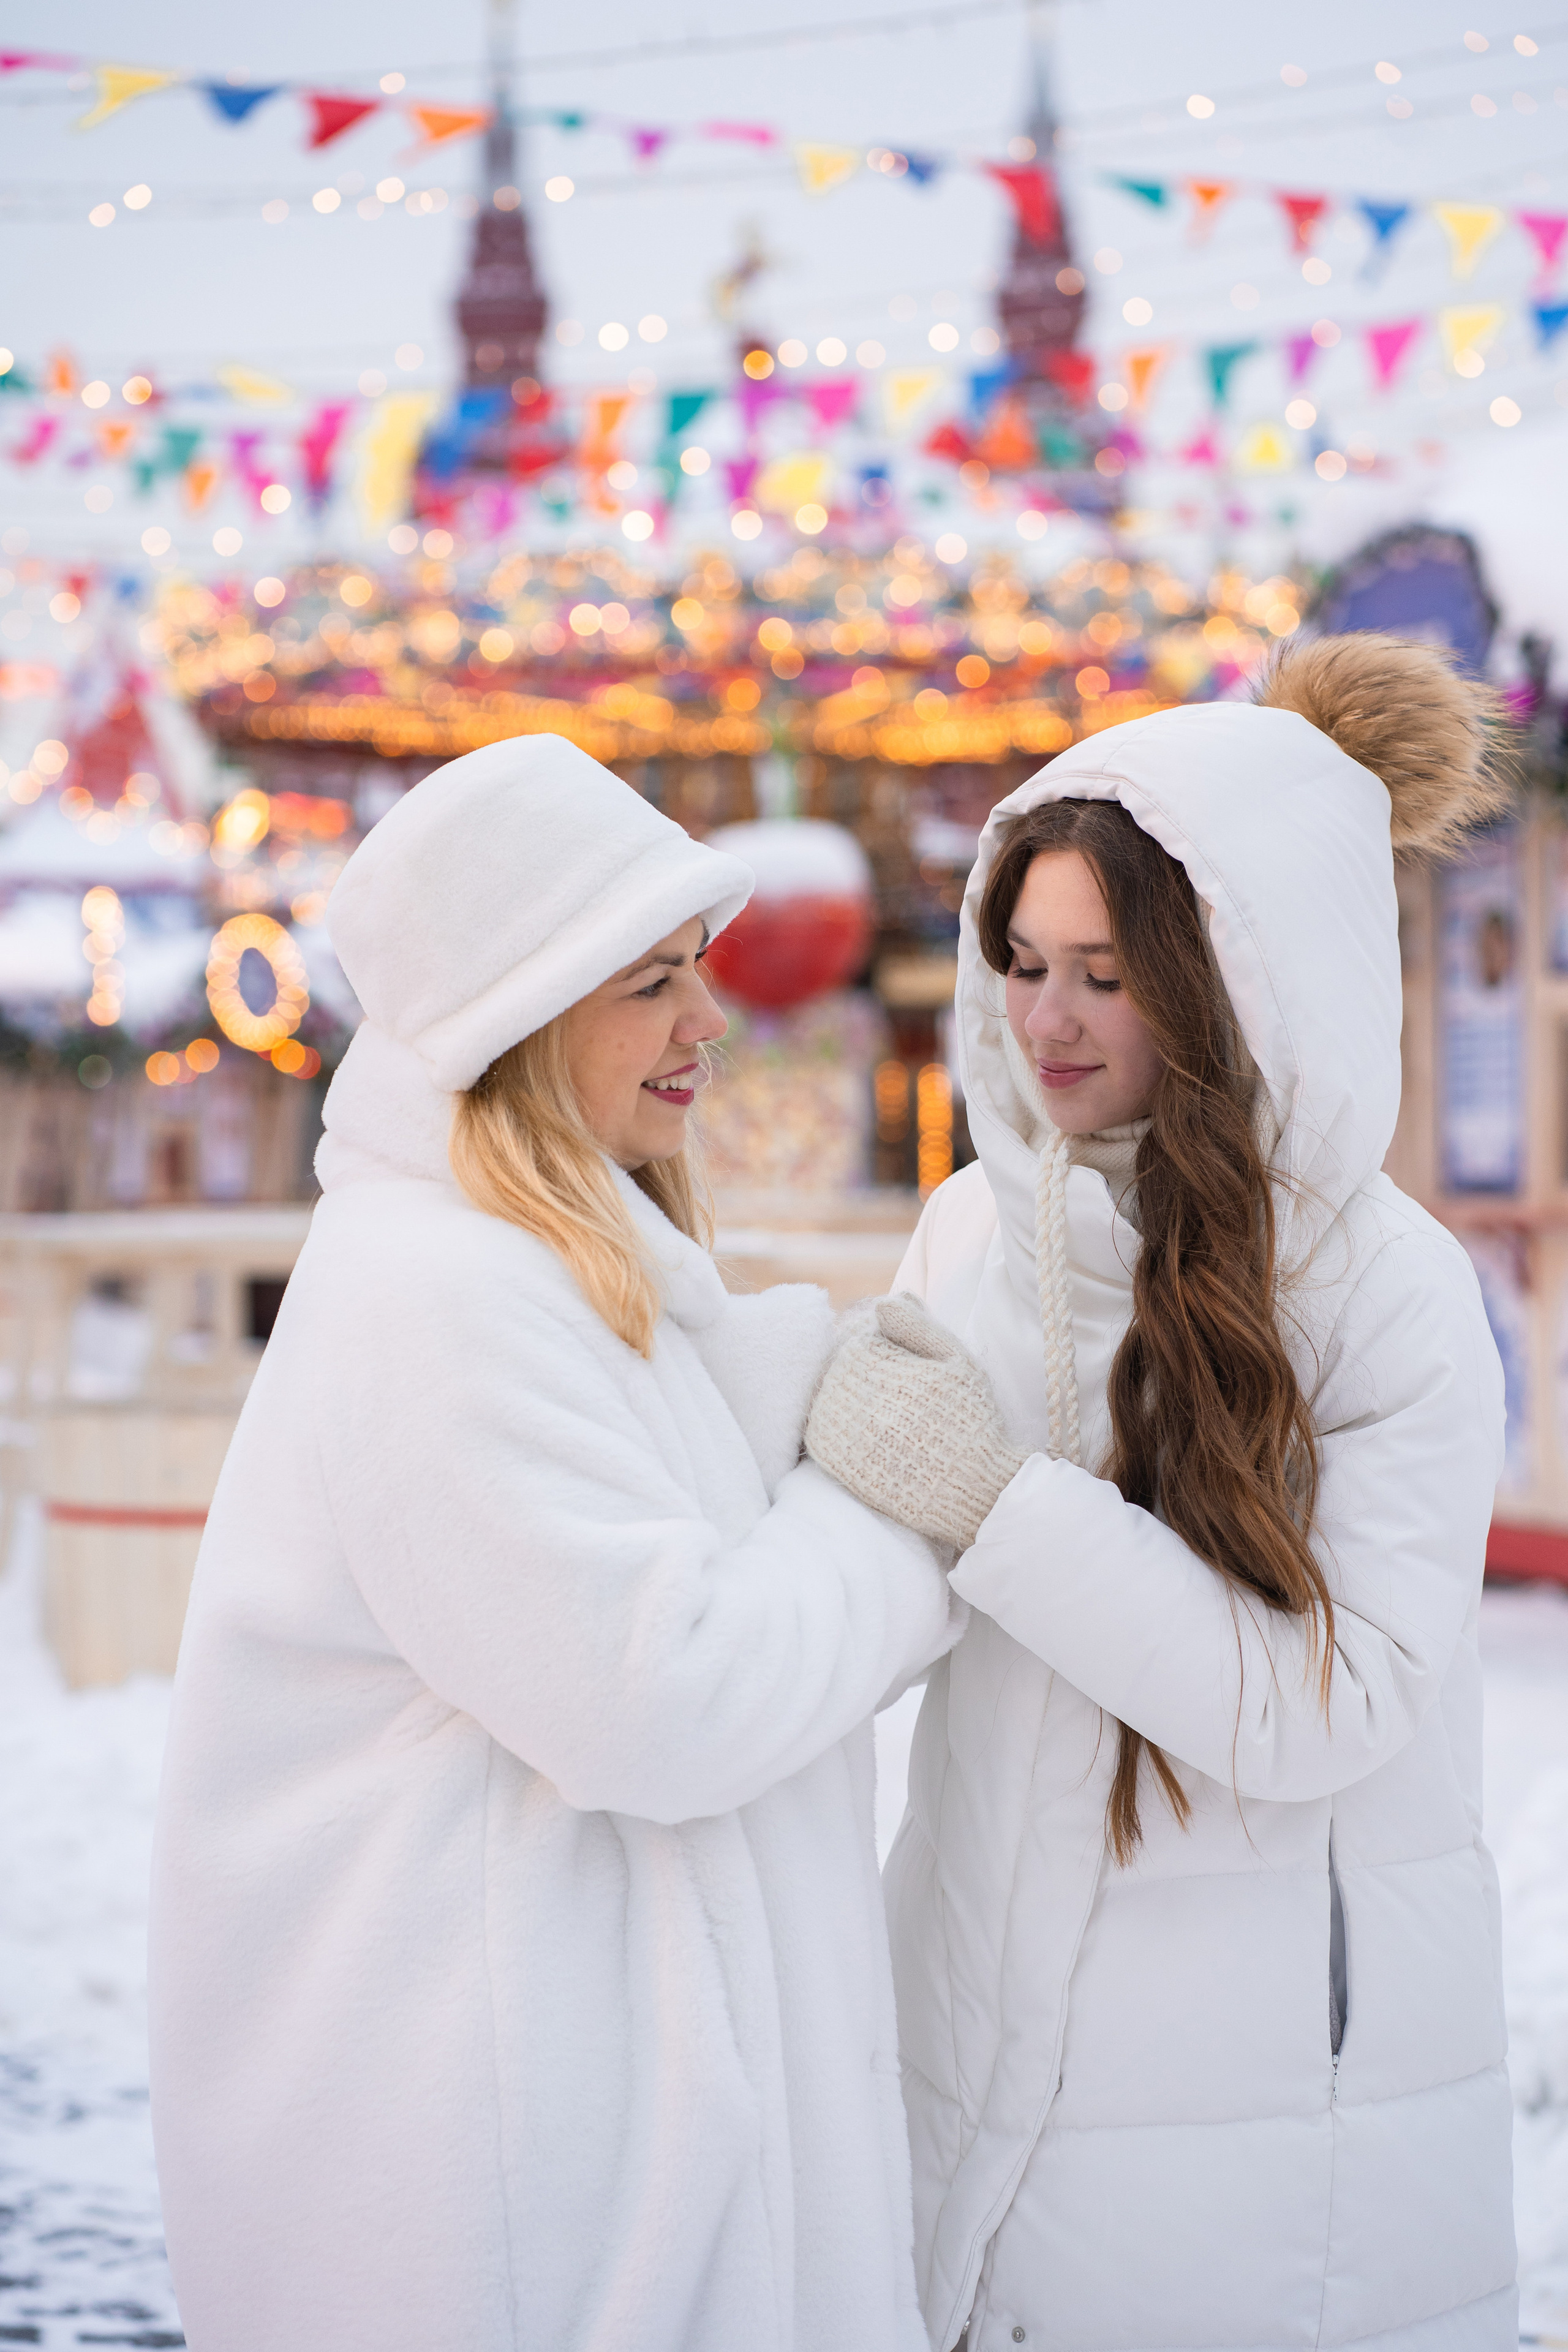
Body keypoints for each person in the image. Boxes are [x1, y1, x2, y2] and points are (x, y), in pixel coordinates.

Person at [148, 734, 958, 2352]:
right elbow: (659, 1695)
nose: (709, 1020)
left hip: (592, 2130)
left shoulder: (527, 1262)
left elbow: (656, 1509)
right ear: (519, 1015)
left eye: (697, 968)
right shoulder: (437, 1296)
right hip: (524, 2183)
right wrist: (892, 1508)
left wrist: (809, 1391)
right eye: (652, 982)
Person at [806, 636, 1518, 2352]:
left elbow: (1327, 1702)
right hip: (974, 2023)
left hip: (1267, 2110)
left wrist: (995, 1507)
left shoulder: (1385, 1293)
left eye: (1106, 975)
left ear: (1228, 982)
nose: (1043, 1020)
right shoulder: (977, 1229)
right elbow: (888, 1578)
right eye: (1021, 961)